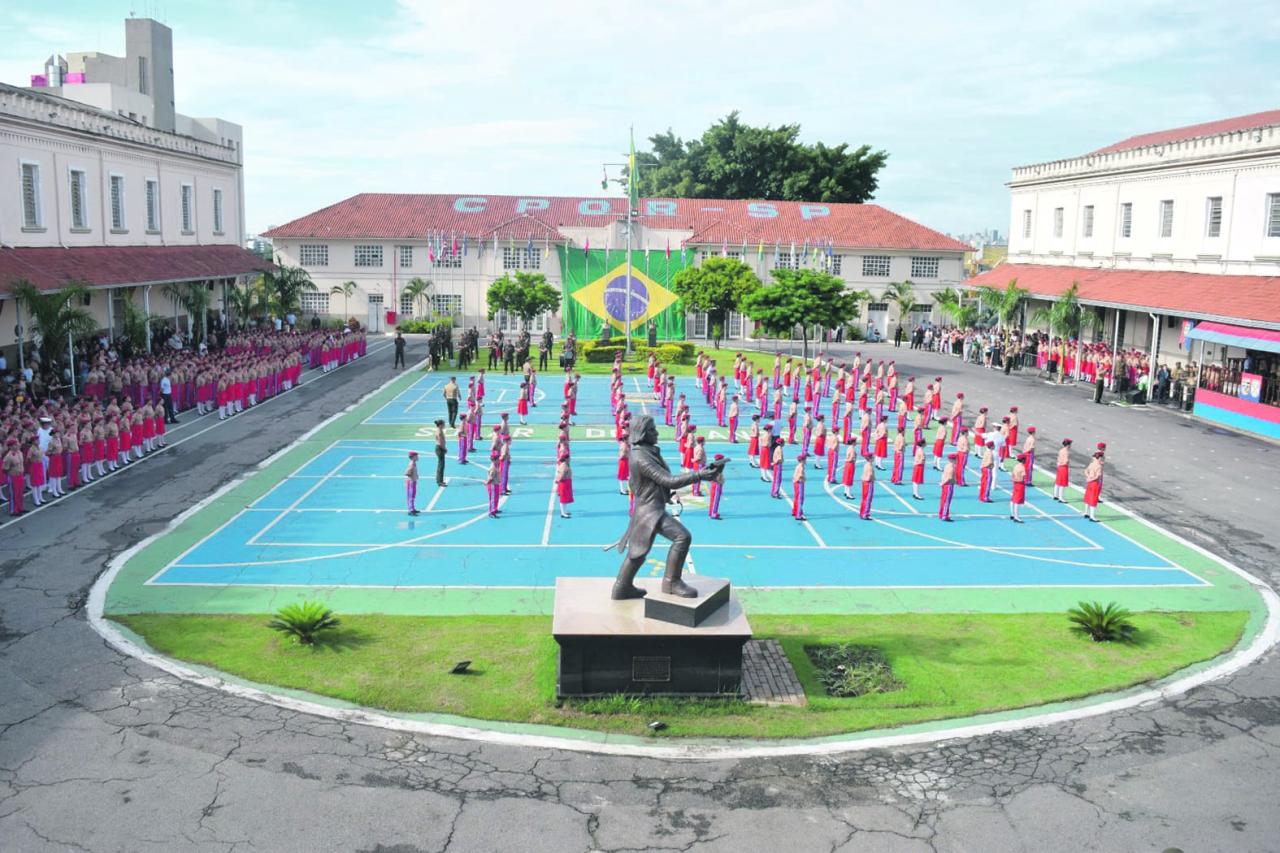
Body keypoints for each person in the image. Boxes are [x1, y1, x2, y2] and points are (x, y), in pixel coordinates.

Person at [1083, 450, 1104, 522]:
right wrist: (1091, 479)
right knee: (1093, 499)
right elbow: (1097, 476)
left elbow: (1085, 471)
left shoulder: (1091, 464)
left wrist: (1088, 477)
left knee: (1088, 497)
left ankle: (1086, 512)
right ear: (1099, 458)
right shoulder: (1099, 466)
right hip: (1094, 483)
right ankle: (1092, 516)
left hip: (1089, 483)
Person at [554, 452, 574, 518]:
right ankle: (562, 513)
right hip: (564, 483)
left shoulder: (566, 464)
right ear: (566, 459)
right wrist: (558, 480)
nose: (570, 459)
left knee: (565, 498)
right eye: (569, 458)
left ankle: (565, 511)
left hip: (567, 482)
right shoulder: (563, 465)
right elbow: (561, 474)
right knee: (563, 498)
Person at [938, 452, 957, 521]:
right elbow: (949, 478)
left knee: (943, 500)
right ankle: (945, 515)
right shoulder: (952, 468)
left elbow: (943, 475)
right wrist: (943, 483)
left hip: (945, 485)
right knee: (947, 501)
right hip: (948, 486)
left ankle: (941, 514)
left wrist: (942, 482)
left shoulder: (947, 466)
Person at [1010, 453, 1027, 523]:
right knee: (1017, 500)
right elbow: (1024, 477)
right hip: (1020, 484)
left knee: (1013, 499)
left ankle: (1012, 514)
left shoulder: (1016, 466)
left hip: (1015, 483)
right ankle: (1016, 517)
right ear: (1023, 460)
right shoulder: (1022, 467)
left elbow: (1012, 475)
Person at [708, 453, 725, 519]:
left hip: (714, 483)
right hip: (717, 484)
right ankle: (713, 513)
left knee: (713, 499)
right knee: (716, 499)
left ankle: (711, 511)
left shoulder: (714, 466)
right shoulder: (718, 467)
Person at [791, 452, 808, 521]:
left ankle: (794, 511)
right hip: (799, 483)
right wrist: (804, 478)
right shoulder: (801, 467)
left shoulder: (798, 466)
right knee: (800, 498)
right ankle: (798, 514)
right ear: (802, 460)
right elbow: (800, 475)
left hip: (795, 483)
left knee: (796, 497)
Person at [859, 456, 875, 520]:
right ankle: (865, 514)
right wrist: (872, 479)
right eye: (873, 457)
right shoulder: (870, 466)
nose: (874, 458)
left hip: (864, 483)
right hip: (868, 483)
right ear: (870, 459)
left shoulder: (866, 465)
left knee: (864, 498)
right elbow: (870, 475)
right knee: (868, 499)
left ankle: (862, 512)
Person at [405, 451, 420, 516]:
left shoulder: (413, 463)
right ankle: (410, 510)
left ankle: (412, 508)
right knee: (411, 496)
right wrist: (411, 477)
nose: (417, 457)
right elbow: (407, 473)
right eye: (416, 456)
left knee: (413, 496)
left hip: (413, 481)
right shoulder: (412, 464)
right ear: (413, 457)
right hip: (411, 482)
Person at [433, 419, 448, 486]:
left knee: (441, 465)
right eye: (443, 424)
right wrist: (444, 448)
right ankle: (439, 481)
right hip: (440, 448)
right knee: (441, 465)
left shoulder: (439, 430)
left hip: (439, 448)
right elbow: (440, 441)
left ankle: (440, 480)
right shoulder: (439, 431)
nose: (444, 425)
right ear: (440, 425)